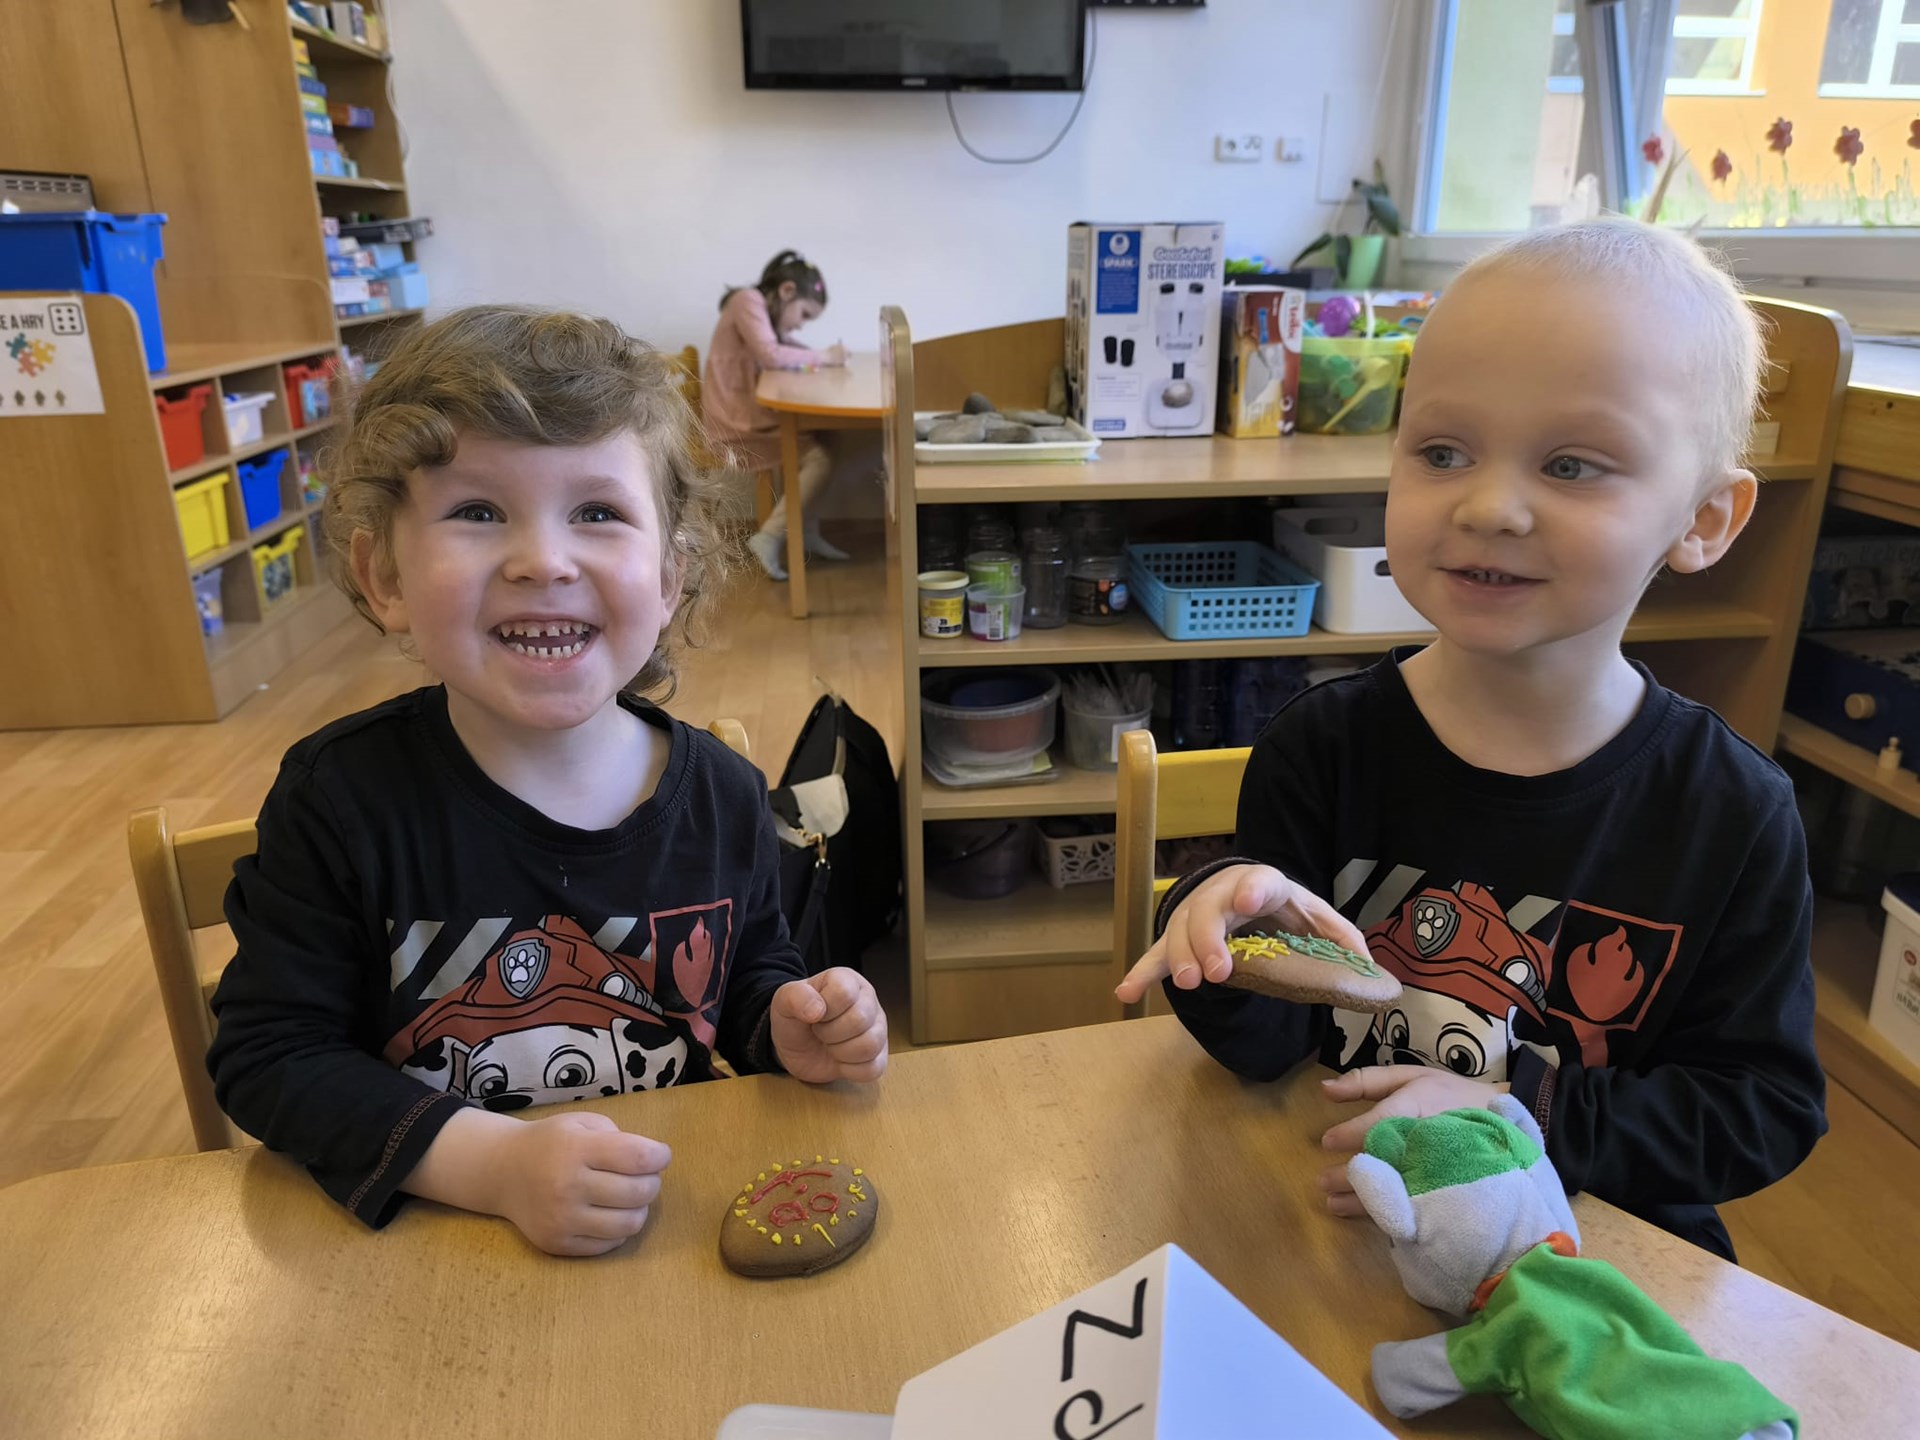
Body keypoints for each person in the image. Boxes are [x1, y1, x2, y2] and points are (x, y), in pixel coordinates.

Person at [1116, 220, 1826, 1259]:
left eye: (1572, 465)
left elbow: (1759, 1109)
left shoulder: (1734, 813)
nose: (1490, 506)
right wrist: (1216, 928)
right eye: (1443, 452)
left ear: (1705, 519)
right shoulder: (1323, 747)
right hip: (1350, 1216)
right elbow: (1268, 1047)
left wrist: (1520, 1106)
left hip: (1586, 1256)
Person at [209, 306, 889, 1256]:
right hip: (426, 1253)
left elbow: (744, 975)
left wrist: (784, 1024)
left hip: (662, 1231)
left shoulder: (726, 794)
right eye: (477, 512)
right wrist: (493, 1165)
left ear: (671, 578)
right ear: (384, 575)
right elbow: (269, 1057)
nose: (543, 561)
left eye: (597, 513)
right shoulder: (338, 801)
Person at [703, 250, 850, 580]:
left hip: (746, 407)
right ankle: (769, 536)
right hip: (732, 418)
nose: (800, 323)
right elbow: (771, 354)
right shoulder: (747, 301)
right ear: (786, 291)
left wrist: (825, 357)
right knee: (819, 457)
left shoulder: (758, 308)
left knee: (830, 437)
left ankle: (804, 531)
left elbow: (782, 346)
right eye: (804, 314)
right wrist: (824, 357)